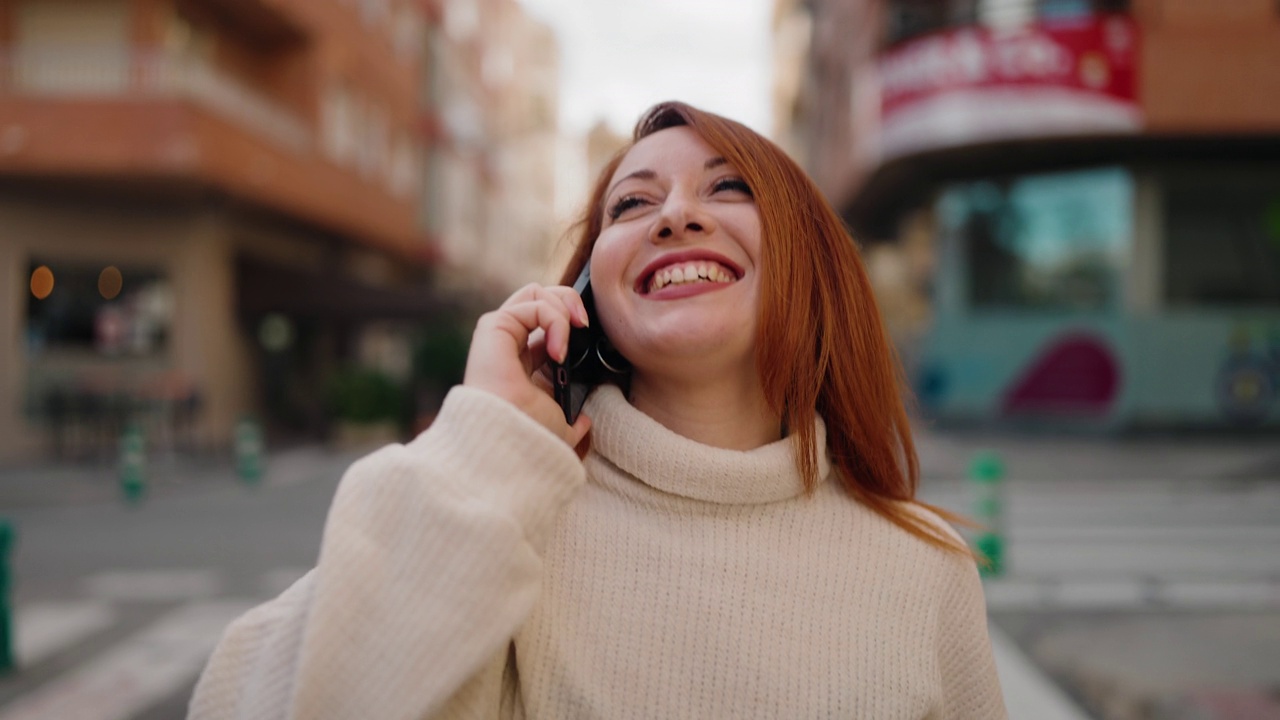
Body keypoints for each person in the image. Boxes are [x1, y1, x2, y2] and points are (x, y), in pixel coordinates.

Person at [189, 101, 1006, 719]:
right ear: (584, 299)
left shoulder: (926, 568)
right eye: (631, 205)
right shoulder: (496, 525)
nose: (676, 216)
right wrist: (487, 440)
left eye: (728, 188)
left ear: (812, 264)